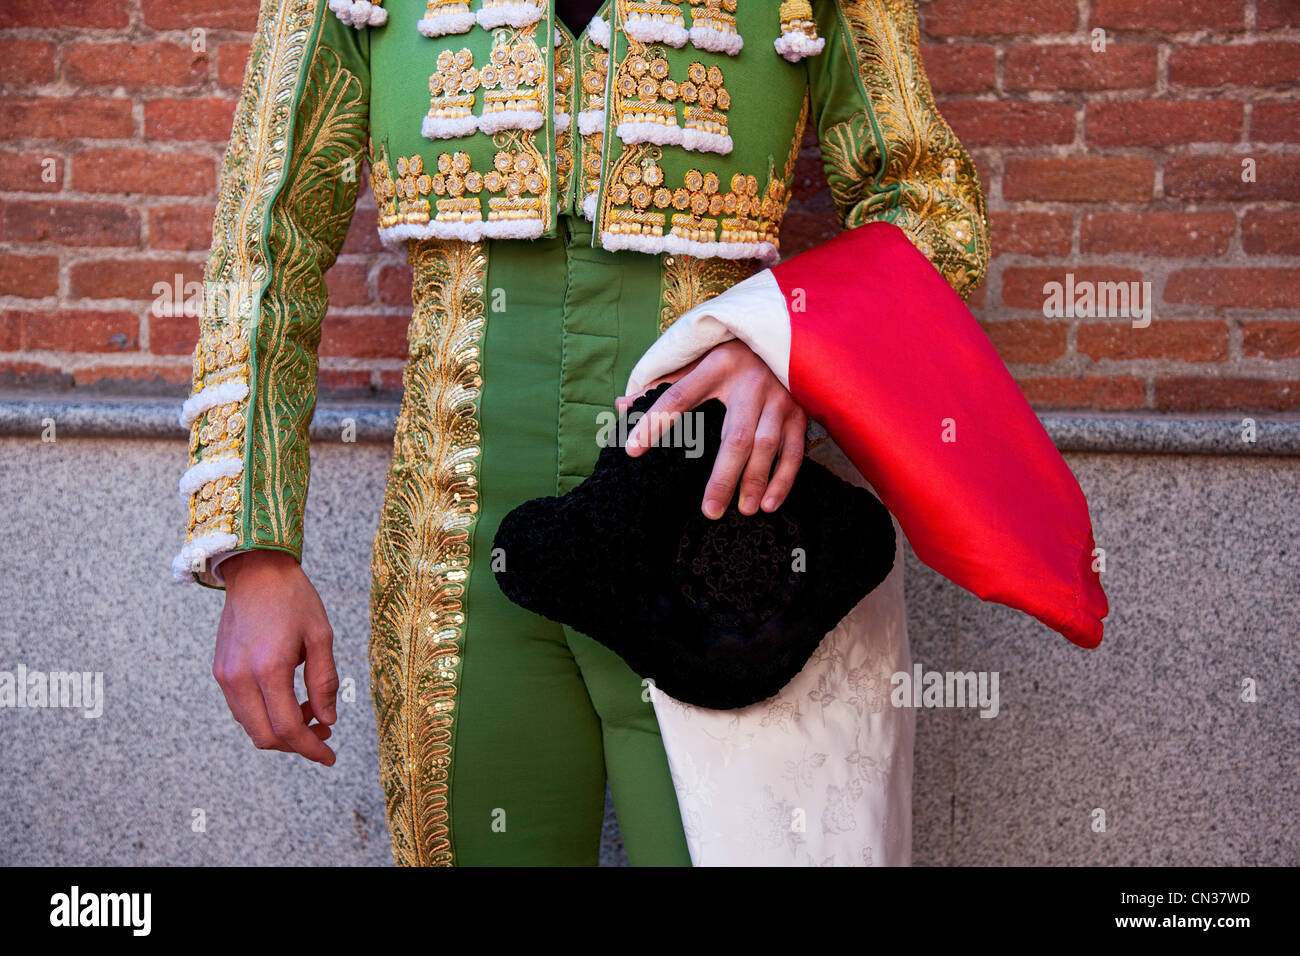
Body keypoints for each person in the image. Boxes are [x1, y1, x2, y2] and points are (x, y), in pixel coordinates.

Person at [173, 0, 990, 865]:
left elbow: (932, 208)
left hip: (726, 538)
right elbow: (266, 236)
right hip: (458, 559)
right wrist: (254, 553)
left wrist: (796, 348)